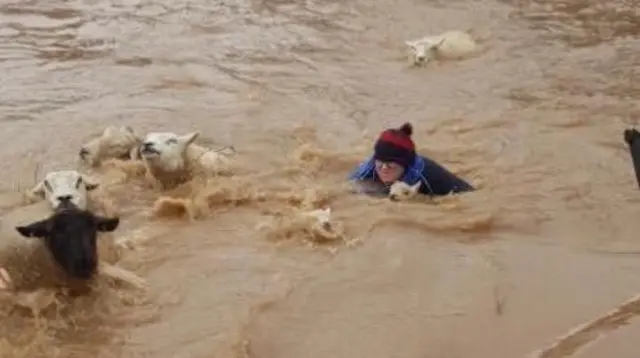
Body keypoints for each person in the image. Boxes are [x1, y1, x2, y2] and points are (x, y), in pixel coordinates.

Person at [348, 122, 474, 197]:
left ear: (405, 164)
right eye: (380, 162)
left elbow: (463, 199)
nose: (384, 168)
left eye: (391, 164)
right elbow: (349, 187)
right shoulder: (370, 166)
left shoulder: (428, 175)